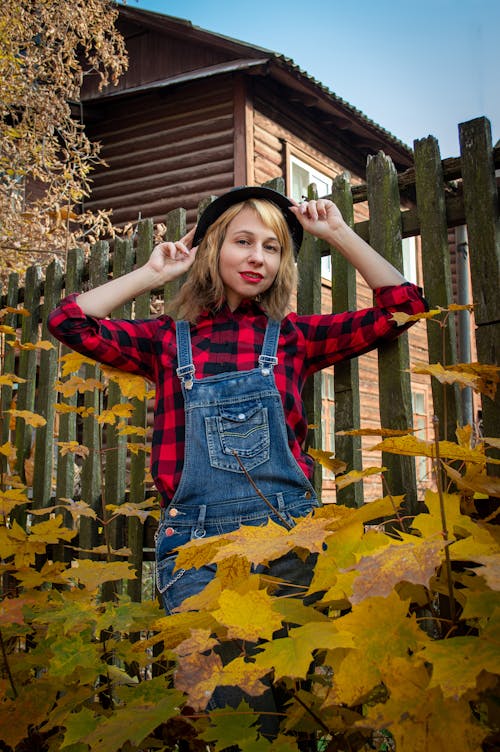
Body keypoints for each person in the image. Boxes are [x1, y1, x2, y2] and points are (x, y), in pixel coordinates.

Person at [48, 185, 426, 730]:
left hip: (286, 540)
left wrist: (339, 233)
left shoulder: (292, 337)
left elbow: (405, 308)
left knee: (291, 710)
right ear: (210, 250)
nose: (257, 257)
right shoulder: (165, 340)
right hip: (197, 544)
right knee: (233, 717)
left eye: (272, 248)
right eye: (243, 241)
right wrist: (153, 275)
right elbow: (70, 324)